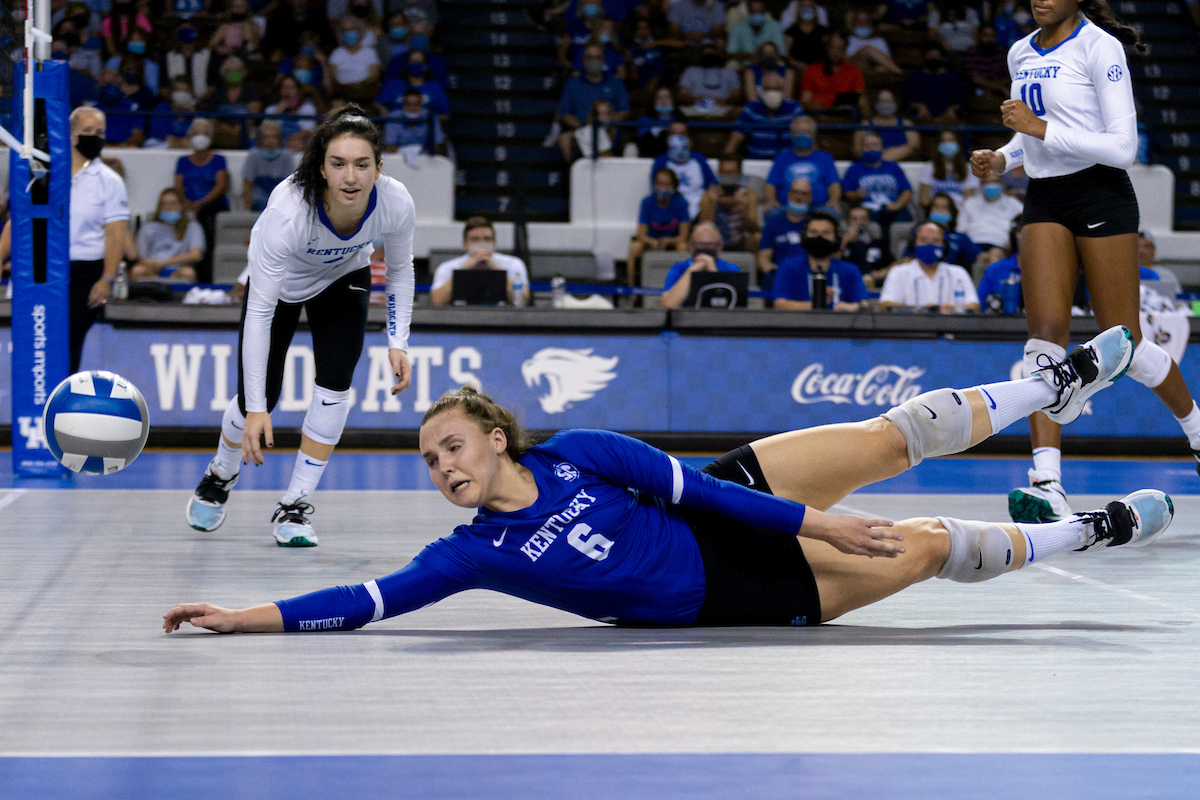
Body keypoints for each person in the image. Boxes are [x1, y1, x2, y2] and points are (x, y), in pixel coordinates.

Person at [164, 326, 1174, 635]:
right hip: (729, 591)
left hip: (728, 501)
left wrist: (816, 522)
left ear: (496, 434)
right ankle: (1089, 532)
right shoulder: (472, 551)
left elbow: (709, 497)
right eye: (431, 462)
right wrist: (238, 614)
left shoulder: (580, 449)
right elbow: (365, 599)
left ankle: (1053, 379)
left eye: (452, 446)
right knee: (920, 547)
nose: (444, 468)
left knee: (886, 438)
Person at [971, 0, 1200, 523]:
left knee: (1124, 340)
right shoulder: (1020, 51)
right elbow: (1026, 139)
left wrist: (1039, 128)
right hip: (1045, 197)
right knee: (1044, 335)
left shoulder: (1101, 47)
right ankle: (1047, 482)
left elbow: (1123, 148)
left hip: (1101, 194)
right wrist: (1003, 157)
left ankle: (1198, 432)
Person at [185, 106, 416, 547]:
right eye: (339, 164)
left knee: (335, 387)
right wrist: (256, 409)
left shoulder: (396, 201)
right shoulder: (289, 213)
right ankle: (221, 471)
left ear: (379, 168)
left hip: (344, 276)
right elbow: (258, 313)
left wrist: (398, 341)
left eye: (362, 164)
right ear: (322, 168)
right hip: (280, 288)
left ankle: (295, 504)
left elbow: (401, 272)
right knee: (259, 395)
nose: (351, 176)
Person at [66, 107, 131, 374]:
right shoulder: (48, 173)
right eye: (88, 131)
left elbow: (115, 233)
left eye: (100, 132)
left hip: (87, 271)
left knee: (71, 338)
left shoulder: (110, 181)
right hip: (49, 268)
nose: (95, 137)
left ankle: (61, 402)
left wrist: (106, 278)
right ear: (72, 135)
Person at [773, 211, 868, 311]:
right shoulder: (788, 268)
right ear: (804, 236)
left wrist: (853, 307)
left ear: (837, 238)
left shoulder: (850, 270)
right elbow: (780, 304)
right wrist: (818, 303)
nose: (819, 237)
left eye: (826, 233)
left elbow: (864, 304)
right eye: (813, 232)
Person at [880, 221, 980, 312]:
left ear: (944, 246)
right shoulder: (898, 272)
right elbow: (885, 305)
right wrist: (921, 310)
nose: (929, 245)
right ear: (913, 244)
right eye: (923, 240)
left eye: (936, 241)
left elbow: (974, 306)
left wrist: (955, 309)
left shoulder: (958, 273)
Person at [174, 119, 229, 282]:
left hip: (211, 207)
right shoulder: (183, 161)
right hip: (188, 206)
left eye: (204, 133)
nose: (200, 137)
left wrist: (202, 203)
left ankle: (206, 275)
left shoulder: (219, 160)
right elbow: (178, 186)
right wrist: (186, 204)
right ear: (190, 137)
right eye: (196, 133)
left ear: (211, 138)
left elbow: (221, 186)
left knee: (207, 222)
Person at [430, 216, 529, 307]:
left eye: (487, 239)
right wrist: (463, 270)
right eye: (475, 239)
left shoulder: (512, 264)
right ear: (464, 244)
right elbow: (437, 301)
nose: (482, 244)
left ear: (494, 243)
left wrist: (496, 270)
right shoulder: (448, 267)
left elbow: (523, 301)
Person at [556, 43, 631, 161]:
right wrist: (584, 128)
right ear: (583, 60)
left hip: (609, 130)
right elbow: (564, 114)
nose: (593, 60)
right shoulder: (573, 83)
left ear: (603, 60)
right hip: (582, 131)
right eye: (589, 57)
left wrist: (607, 122)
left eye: (597, 57)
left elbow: (624, 111)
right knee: (565, 138)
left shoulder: (616, 83)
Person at [842, 131, 914, 239]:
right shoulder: (854, 169)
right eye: (868, 146)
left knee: (905, 218)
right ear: (862, 149)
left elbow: (907, 191)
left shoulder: (893, 167)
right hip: (867, 209)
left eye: (875, 145)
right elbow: (846, 194)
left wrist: (897, 205)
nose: (871, 149)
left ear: (882, 148)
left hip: (893, 207)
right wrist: (856, 195)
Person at [628, 168, 691, 286]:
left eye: (667, 185)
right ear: (654, 185)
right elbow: (641, 234)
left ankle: (682, 287)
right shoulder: (647, 202)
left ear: (674, 187)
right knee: (635, 247)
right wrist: (654, 242)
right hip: (651, 242)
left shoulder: (681, 202)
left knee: (683, 247)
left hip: (672, 243)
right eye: (659, 184)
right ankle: (632, 291)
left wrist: (667, 241)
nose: (662, 188)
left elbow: (683, 236)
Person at [764, 116, 840, 213]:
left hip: (818, 208)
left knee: (831, 212)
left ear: (813, 135)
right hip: (787, 208)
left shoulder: (825, 157)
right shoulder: (781, 158)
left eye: (806, 132)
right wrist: (770, 201)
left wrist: (834, 201)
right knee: (772, 212)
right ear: (791, 135)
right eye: (798, 132)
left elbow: (834, 183)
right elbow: (771, 184)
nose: (802, 135)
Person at [130, 188, 204, 283]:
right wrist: (153, 264)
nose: (168, 207)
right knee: (137, 271)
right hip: (152, 269)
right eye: (164, 204)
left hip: (178, 268)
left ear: (181, 205)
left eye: (173, 204)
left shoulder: (193, 227)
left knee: (188, 273)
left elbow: (195, 255)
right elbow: (140, 257)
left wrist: (164, 263)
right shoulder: (147, 227)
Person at [661, 223, 743, 308]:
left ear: (720, 247)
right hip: (687, 319)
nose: (704, 249)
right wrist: (692, 271)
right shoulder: (678, 269)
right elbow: (669, 304)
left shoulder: (732, 270)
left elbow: (732, 307)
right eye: (700, 244)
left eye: (710, 245)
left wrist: (713, 273)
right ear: (691, 246)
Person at [724, 72, 802, 160]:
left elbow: (804, 134)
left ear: (782, 90)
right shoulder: (752, 108)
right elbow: (737, 136)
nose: (772, 93)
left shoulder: (793, 108)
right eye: (767, 89)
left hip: (785, 162)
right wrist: (727, 158)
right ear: (762, 90)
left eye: (776, 89)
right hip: (756, 161)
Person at [758, 178, 815, 297]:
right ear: (789, 195)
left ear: (810, 197)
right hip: (781, 272)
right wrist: (767, 266)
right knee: (769, 277)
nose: (798, 197)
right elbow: (764, 255)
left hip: (810, 271)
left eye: (803, 193)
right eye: (795, 192)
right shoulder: (774, 222)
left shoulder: (816, 223)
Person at [650, 122, 718, 220]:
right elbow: (655, 190)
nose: (678, 138)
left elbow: (713, 186)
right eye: (674, 134)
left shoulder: (699, 160)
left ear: (688, 138)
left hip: (699, 212)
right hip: (671, 212)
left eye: (682, 134)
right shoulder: (661, 162)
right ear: (668, 138)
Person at [698, 156, 760, 253]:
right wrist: (712, 205)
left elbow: (753, 229)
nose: (727, 176)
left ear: (739, 174)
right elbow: (705, 227)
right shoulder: (709, 195)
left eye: (731, 173)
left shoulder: (748, 195)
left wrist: (743, 210)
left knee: (756, 238)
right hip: (715, 242)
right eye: (724, 172)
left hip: (740, 241)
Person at [798, 32, 866, 117]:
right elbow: (804, 101)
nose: (835, 52)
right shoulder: (811, 70)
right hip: (818, 115)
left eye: (840, 48)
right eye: (832, 47)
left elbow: (861, 99)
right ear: (827, 48)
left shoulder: (854, 70)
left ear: (845, 50)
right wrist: (811, 106)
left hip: (845, 115)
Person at [917, 129, 980, 210]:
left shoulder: (969, 169)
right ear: (938, 145)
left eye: (950, 140)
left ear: (958, 144)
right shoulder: (929, 167)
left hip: (960, 212)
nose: (947, 144)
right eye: (943, 141)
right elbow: (924, 200)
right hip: (937, 211)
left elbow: (968, 199)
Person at [242, 122, 297, 212]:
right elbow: (248, 183)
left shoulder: (287, 155)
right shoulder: (253, 155)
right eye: (266, 137)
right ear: (260, 139)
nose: (270, 140)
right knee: (262, 202)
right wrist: (246, 209)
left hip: (280, 192)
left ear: (279, 139)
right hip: (258, 195)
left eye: (273, 137)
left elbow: (290, 183)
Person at [905, 42, 965, 124]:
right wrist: (919, 106)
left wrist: (952, 109)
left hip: (946, 119)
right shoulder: (916, 76)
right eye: (930, 56)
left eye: (936, 56)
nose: (933, 59)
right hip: (922, 118)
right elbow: (909, 100)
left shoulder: (951, 76)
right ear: (925, 57)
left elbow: (960, 100)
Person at [957, 179, 1023, 253]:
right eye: (987, 182)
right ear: (981, 185)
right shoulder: (970, 203)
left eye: (994, 181)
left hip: (1001, 244)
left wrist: (1012, 241)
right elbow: (961, 229)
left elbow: (1022, 224)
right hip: (973, 243)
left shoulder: (1014, 204)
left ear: (1001, 184)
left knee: (995, 253)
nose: (991, 186)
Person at [855, 89, 919, 162]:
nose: (885, 105)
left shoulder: (906, 124)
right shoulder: (865, 125)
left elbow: (914, 147)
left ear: (896, 103)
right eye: (882, 101)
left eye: (888, 101)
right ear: (876, 103)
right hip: (871, 165)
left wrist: (888, 156)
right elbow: (857, 150)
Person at [329, 16, 382, 103]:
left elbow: (374, 76)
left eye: (352, 29)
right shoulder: (336, 54)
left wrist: (358, 87)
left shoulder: (369, 52)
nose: (349, 32)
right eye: (346, 30)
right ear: (341, 33)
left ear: (359, 31)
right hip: (343, 96)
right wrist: (348, 88)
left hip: (365, 96)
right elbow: (333, 78)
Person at [839, 204, 893, 287]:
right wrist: (845, 241)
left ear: (868, 221)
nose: (859, 223)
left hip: (875, 281)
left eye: (863, 219)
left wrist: (882, 272)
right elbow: (832, 261)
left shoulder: (877, 242)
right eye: (854, 219)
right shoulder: (841, 243)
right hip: (848, 281)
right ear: (847, 222)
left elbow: (894, 264)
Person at [383, 87, 445, 158]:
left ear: (422, 104)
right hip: (399, 156)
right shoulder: (393, 117)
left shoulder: (430, 116)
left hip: (425, 156)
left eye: (416, 104)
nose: (412, 108)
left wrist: (421, 154)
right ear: (403, 105)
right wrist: (408, 154)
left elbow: (437, 143)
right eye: (408, 104)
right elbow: (390, 145)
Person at [926, 192, 982, 269]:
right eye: (936, 207)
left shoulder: (961, 238)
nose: (940, 210)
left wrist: (993, 254)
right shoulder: (918, 234)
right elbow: (909, 258)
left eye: (944, 207)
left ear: (951, 213)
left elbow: (979, 257)